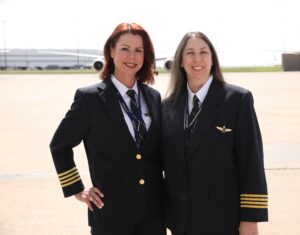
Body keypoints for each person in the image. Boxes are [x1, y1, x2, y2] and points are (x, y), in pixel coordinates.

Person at [50, 23, 165, 235]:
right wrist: (77, 190)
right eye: (125, 49)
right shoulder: (90, 99)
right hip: (111, 213)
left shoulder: (153, 97)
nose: (132, 56)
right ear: (111, 51)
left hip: (153, 213)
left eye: (138, 50)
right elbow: (59, 145)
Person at [161, 31, 268, 235]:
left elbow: (251, 161)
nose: (197, 59)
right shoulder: (168, 107)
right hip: (181, 222)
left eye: (204, 52)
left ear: (212, 60)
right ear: (181, 62)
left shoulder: (237, 100)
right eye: (190, 53)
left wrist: (251, 218)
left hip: (224, 219)